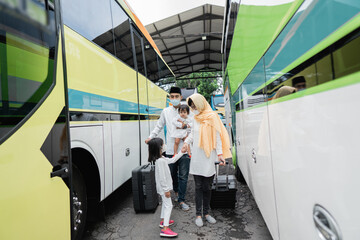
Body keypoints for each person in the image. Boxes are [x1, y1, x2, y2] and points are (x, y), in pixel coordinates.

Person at [182, 93, 232, 227]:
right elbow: (192, 134)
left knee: (207, 187)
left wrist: (220, 154)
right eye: (191, 106)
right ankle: (198, 214)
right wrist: (186, 143)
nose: (193, 108)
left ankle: (207, 213)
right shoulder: (194, 118)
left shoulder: (212, 116)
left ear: (201, 103)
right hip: (197, 157)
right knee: (198, 187)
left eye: (195, 106)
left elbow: (217, 137)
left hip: (209, 157)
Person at [145, 86, 191, 211]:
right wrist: (150, 137)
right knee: (171, 174)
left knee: (183, 175)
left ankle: (181, 200)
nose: (174, 98)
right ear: (169, 98)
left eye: (177, 96)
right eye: (172, 97)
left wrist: (187, 139)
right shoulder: (166, 112)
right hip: (170, 149)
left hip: (184, 148)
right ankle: (175, 192)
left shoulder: (186, 110)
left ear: (181, 97)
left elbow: (192, 127)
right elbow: (158, 126)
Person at [148, 137, 186, 238]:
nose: (164, 146)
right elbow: (162, 178)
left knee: (165, 204)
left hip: (163, 188)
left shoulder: (161, 159)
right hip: (164, 189)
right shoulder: (160, 161)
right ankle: (165, 229)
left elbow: (172, 160)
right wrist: (166, 190)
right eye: (163, 144)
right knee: (169, 205)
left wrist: (181, 152)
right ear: (159, 148)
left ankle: (163, 220)